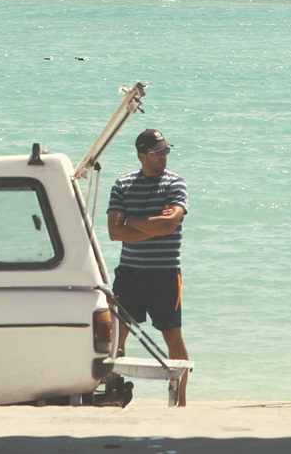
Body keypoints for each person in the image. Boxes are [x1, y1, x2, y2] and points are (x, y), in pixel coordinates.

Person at [107, 128, 190, 405]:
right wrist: (154, 227)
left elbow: (169, 224)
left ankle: (180, 400)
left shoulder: (175, 183)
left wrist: (132, 222)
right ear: (142, 155)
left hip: (165, 273)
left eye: (166, 150)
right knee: (116, 336)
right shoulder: (123, 184)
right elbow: (114, 232)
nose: (163, 156)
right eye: (157, 152)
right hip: (129, 272)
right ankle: (113, 392)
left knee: (172, 337)